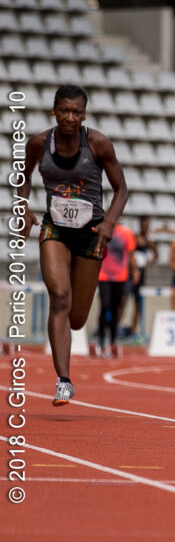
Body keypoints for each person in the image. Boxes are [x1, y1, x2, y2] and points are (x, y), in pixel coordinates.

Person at [16, 85, 130, 405]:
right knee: (59, 297)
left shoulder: (97, 143)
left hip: (91, 232)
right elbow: (21, 179)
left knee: (77, 318)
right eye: (64, 110)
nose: (70, 117)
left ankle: (66, 364)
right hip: (55, 229)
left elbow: (121, 189)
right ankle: (63, 380)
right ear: (54, 110)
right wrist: (23, 209)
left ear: (84, 115)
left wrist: (109, 222)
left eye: (77, 112)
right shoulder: (38, 143)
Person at [95, 223, 138, 355]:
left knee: (115, 308)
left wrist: (135, 271)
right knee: (105, 306)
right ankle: (101, 338)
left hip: (120, 276)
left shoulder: (126, 233)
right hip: (104, 275)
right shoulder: (101, 230)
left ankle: (113, 340)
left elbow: (131, 254)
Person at [127, 215, 157, 340]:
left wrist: (149, 261)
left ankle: (133, 330)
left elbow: (156, 254)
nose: (145, 227)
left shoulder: (149, 241)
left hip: (142, 273)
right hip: (130, 273)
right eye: (144, 224)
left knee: (138, 303)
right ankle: (116, 326)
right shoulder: (134, 238)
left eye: (147, 225)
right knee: (123, 300)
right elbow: (129, 253)